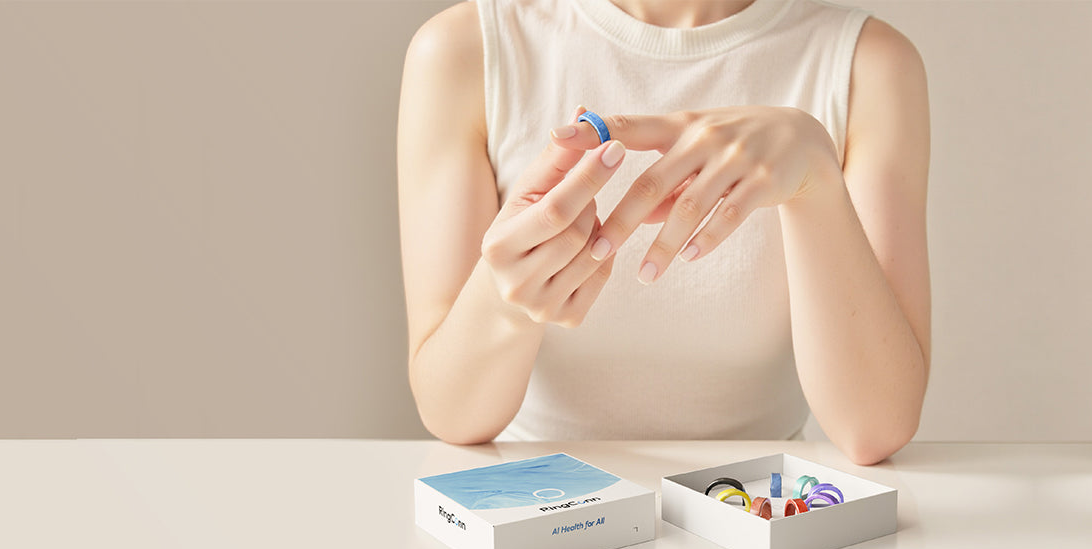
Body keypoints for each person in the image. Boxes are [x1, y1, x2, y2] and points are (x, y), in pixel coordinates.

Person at [394, 0, 930, 465]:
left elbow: (874, 427)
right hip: (539, 526)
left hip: (756, 524)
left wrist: (816, 183)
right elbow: (453, 414)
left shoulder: (868, 66)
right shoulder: (465, 51)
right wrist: (507, 296)